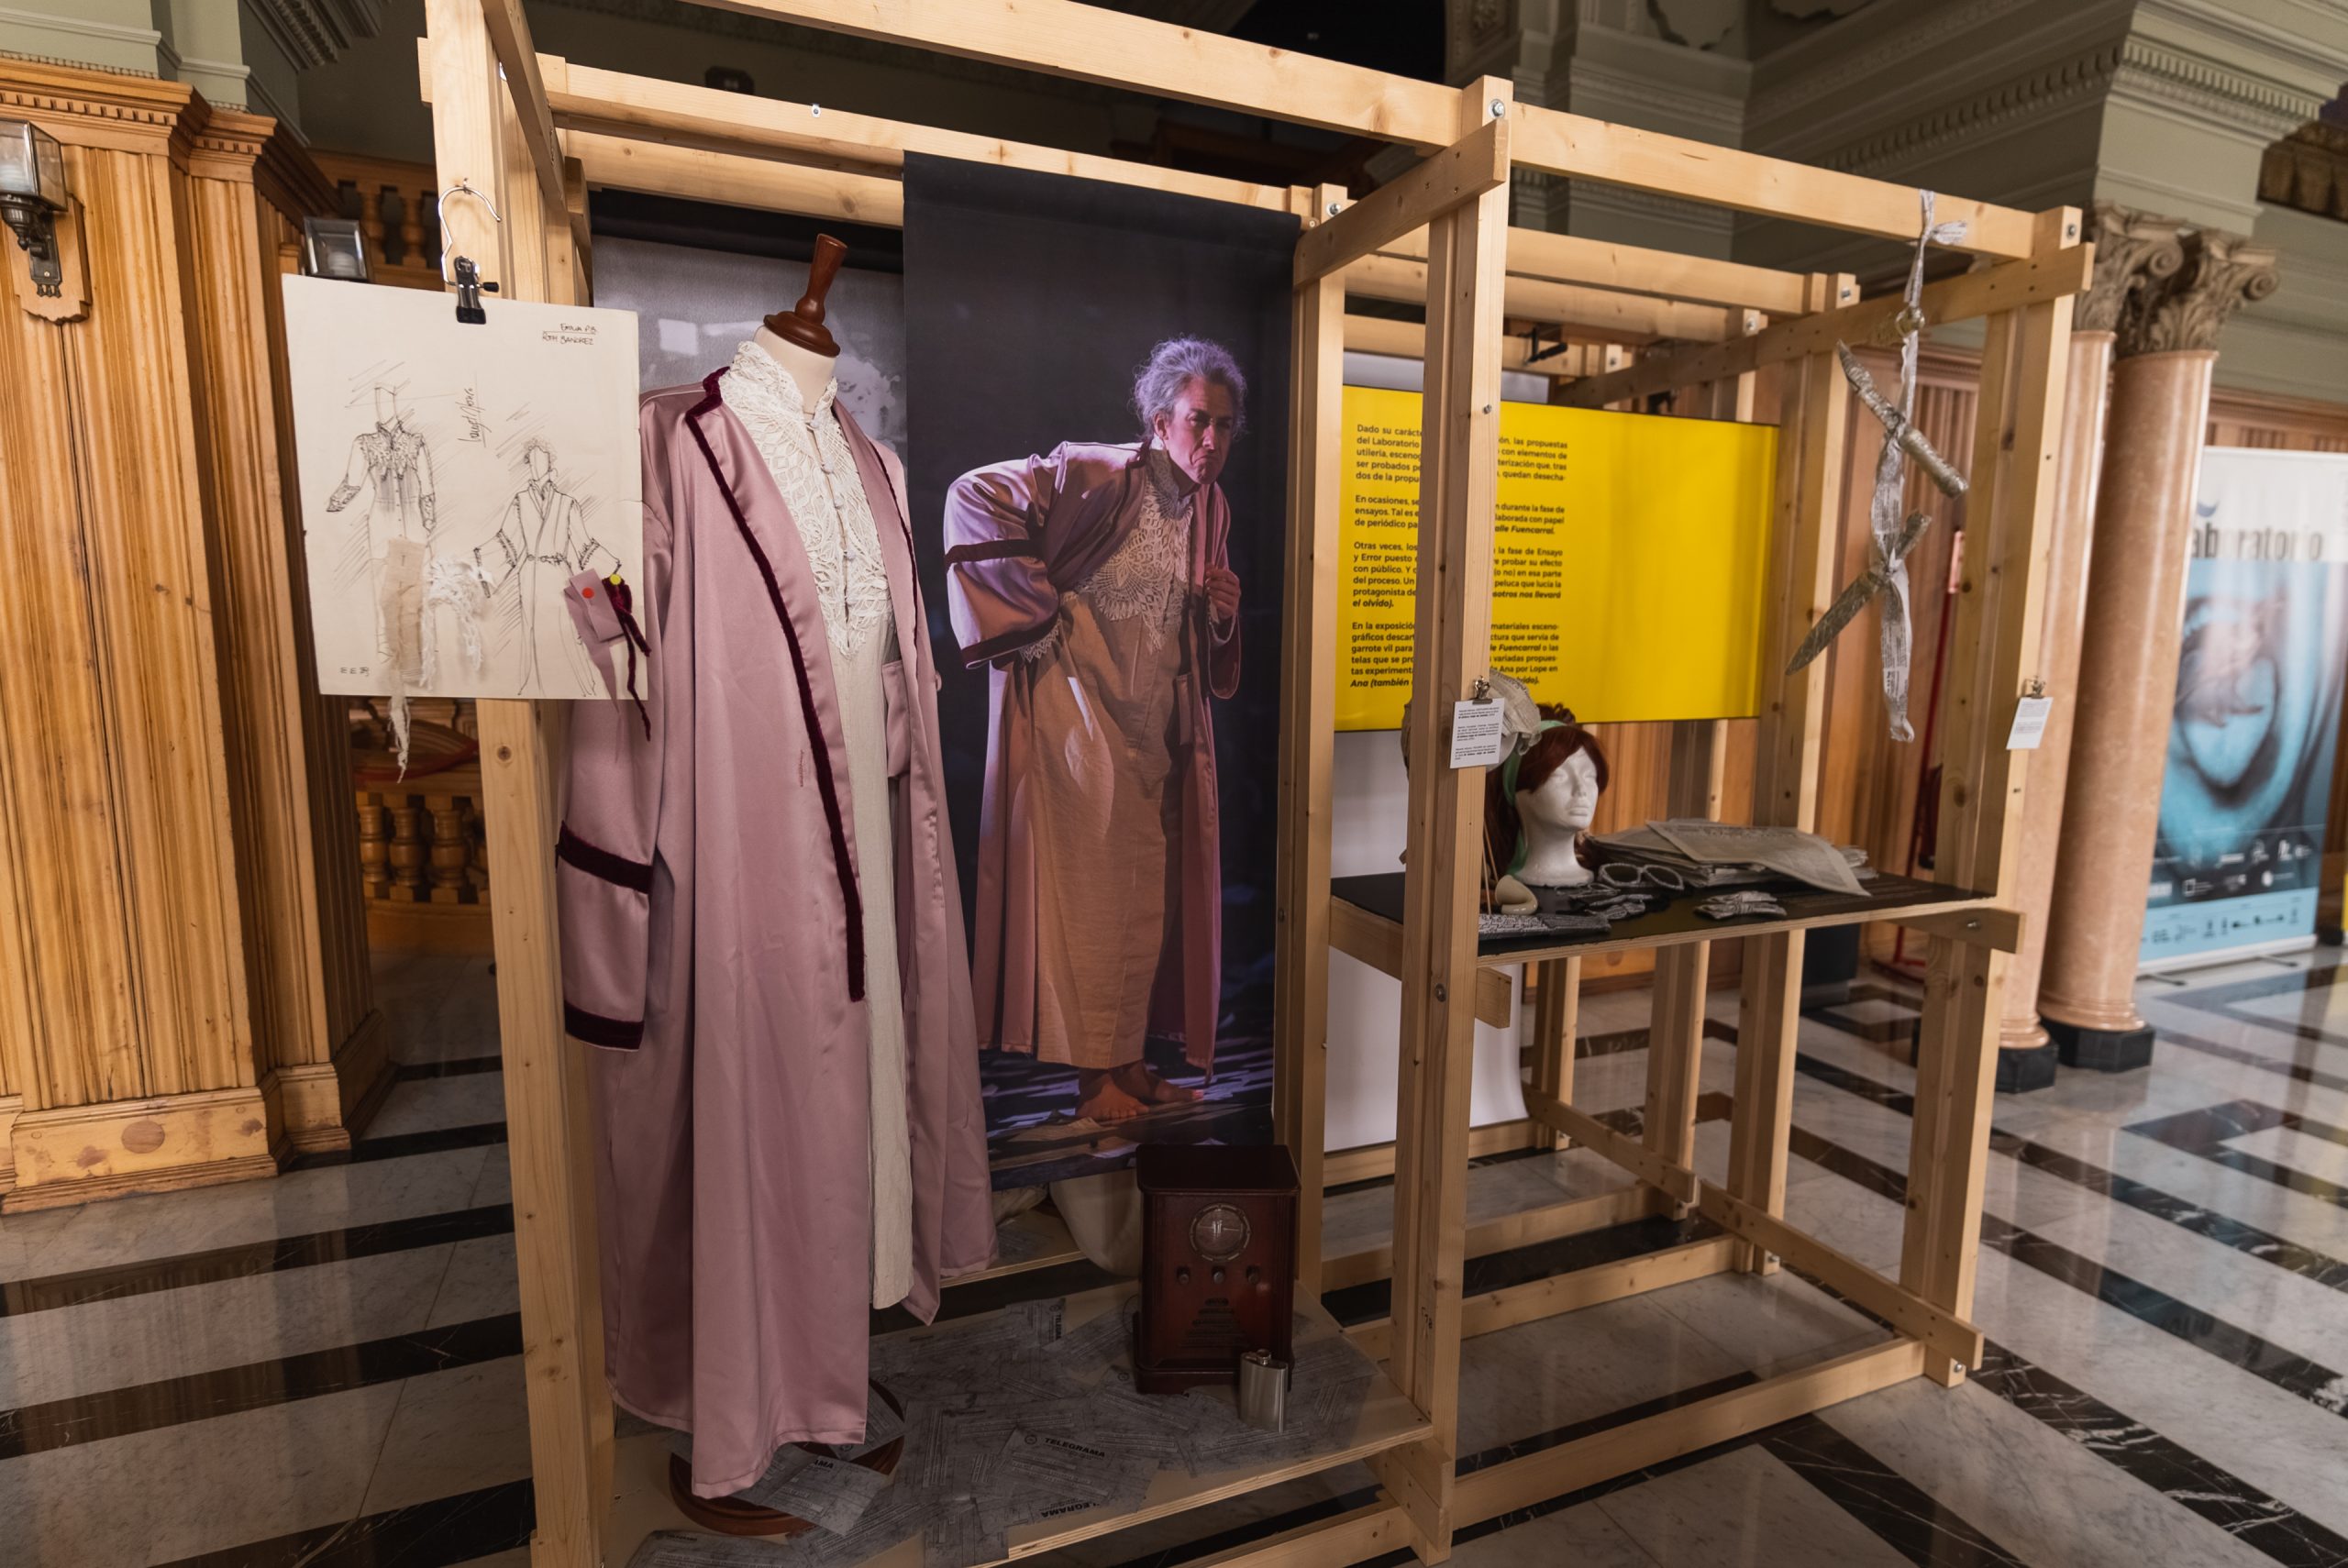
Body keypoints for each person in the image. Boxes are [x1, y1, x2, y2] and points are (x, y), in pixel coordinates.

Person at [945, 337, 1246, 1122]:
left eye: (1225, 425)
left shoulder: (1211, 508)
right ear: (1160, 421)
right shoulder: (1099, 473)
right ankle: (1092, 1083)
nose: (1212, 439)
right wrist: (1033, 616)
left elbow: (1193, 636)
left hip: (1155, 735)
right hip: (1077, 718)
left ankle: (1129, 1062)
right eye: (1199, 420)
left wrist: (1222, 615)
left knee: (1145, 905)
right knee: (1090, 899)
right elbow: (974, 493)